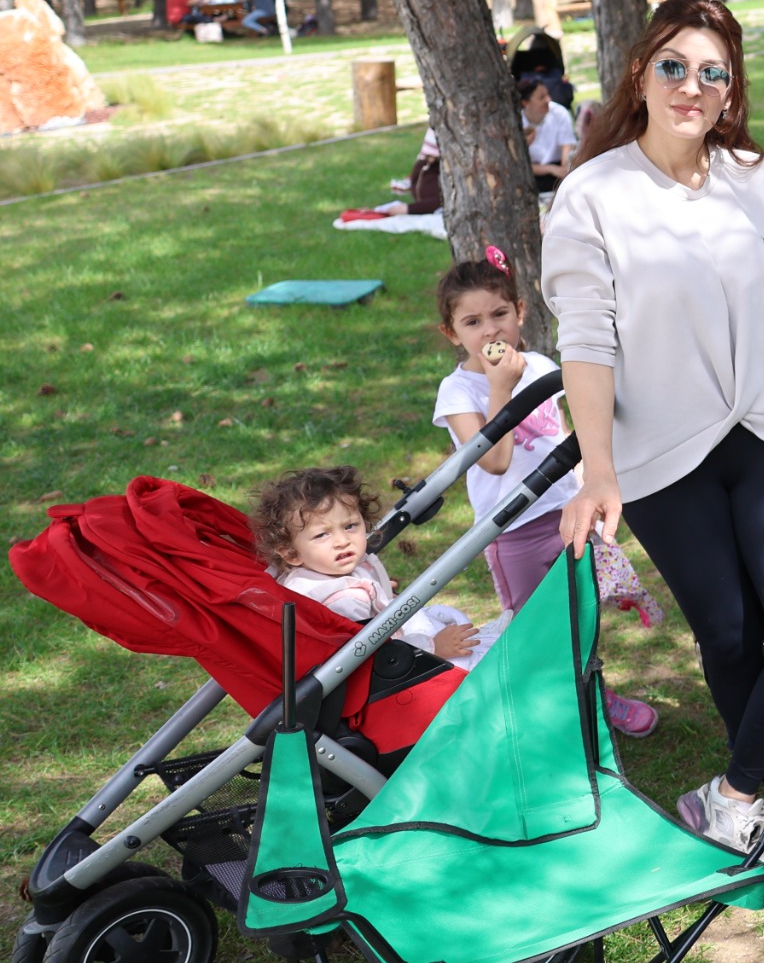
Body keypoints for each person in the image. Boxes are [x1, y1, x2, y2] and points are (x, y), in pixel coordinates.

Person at [546, 0, 764, 878]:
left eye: (713, 71)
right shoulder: (592, 195)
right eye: (675, 66)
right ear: (641, 72)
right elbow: (587, 336)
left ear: (732, 89)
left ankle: (735, 794)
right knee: (727, 637)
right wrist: (597, 467)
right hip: (661, 454)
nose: (693, 86)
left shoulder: (762, 180)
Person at [429, 252, 659, 736]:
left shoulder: (537, 365)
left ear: (520, 312)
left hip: (565, 514)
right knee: (535, 630)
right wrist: (500, 389)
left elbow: (569, 434)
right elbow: (493, 459)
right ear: (452, 333)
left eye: (499, 315)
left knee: (580, 616)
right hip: (512, 532)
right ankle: (546, 716)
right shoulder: (458, 391)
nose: (490, 331)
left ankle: (593, 696)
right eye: (473, 322)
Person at [253, 466, 486, 670]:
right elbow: (378, 658)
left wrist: (380, 592)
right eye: (322, 534)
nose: (342, 540)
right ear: (291, 553)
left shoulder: (321, 571)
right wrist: (435, 646)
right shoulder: (341, 602)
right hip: (401, 666)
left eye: (350, 525)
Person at [520, 76, 576, 185]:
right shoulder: (517, 121)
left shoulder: (559, 113)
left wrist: (564, 170)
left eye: (547, 95)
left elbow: (567, 147)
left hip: (558, 168)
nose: (548, 100)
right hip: (530, 172)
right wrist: (549, 169)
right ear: (525, 103)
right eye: (541, 97)